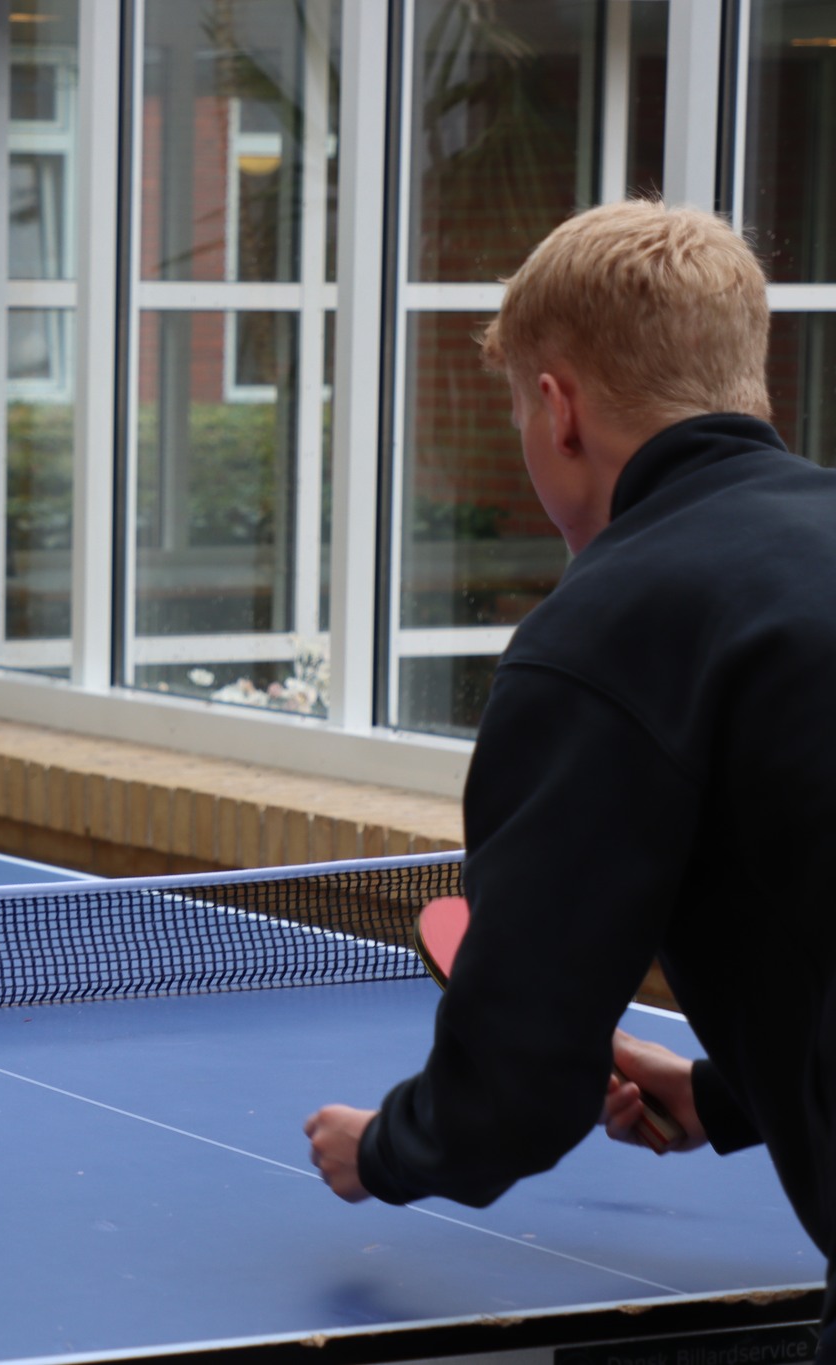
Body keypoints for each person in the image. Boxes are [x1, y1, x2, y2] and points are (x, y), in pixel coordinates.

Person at [303, 198, 836, 1351]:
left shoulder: (603, 634)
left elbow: (522, 1076)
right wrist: (724, 1093)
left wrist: (384, 1150)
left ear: (557, 410)